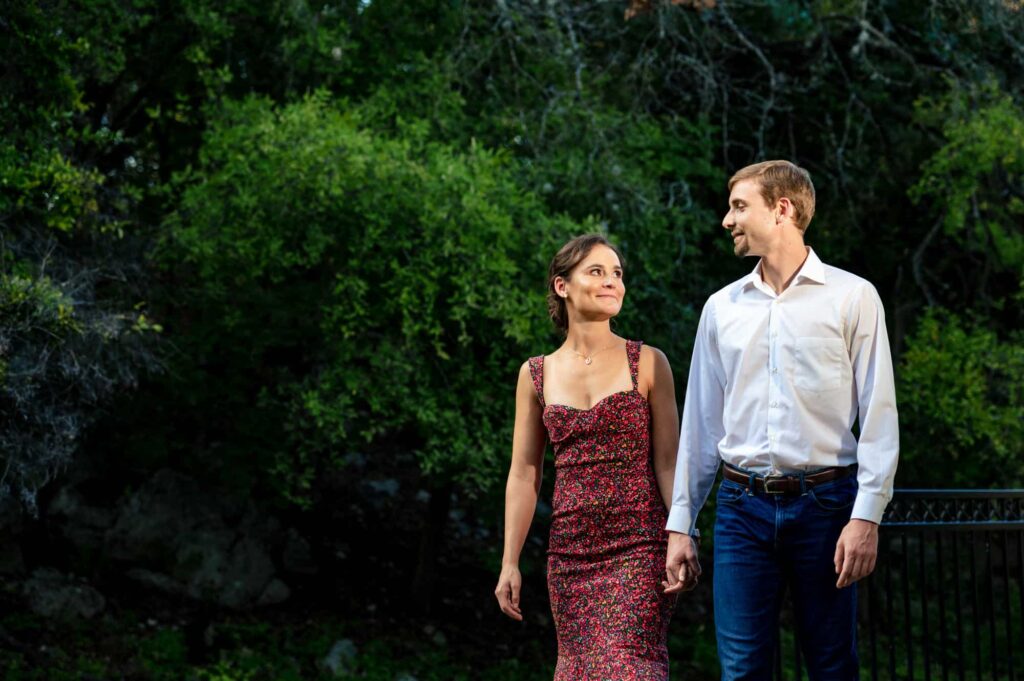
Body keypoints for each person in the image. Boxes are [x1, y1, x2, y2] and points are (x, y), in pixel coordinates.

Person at [663, 161, 899, 680]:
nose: (727, 220)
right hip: (740, 510)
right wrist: (681, 524)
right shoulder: (721, 308)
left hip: (828, 508)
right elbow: (702, 425)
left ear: (782, 209)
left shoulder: (853, 296)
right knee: (743, 671)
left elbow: (879, 414)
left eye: (739, 206)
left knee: (832, 668)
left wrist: (867, 516)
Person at [495, 234, 680, 679]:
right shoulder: (535, 374)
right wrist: (509, 562)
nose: (612, 282)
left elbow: (670, 463)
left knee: (628, 667)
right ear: (563, 286)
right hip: (571, 555)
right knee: (579, 669)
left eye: (617, 273)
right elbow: (524, 474)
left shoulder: (649, 363)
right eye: (596, 272)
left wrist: (681, 536)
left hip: (641, 546)